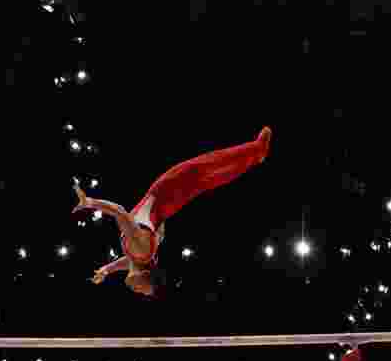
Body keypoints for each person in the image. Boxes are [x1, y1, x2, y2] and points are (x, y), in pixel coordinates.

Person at [73, 127, 272, 297]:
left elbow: (127, 260)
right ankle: (256, 149)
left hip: (169, 202)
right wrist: (90, 202)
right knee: (208, 164)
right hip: (166, 192)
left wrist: (107, 270)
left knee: (210, 178)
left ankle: (254, 155)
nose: (139, 292)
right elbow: (119, 212)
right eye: (144, 290)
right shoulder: (140, 251)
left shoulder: (141, 256)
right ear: (145, 276)